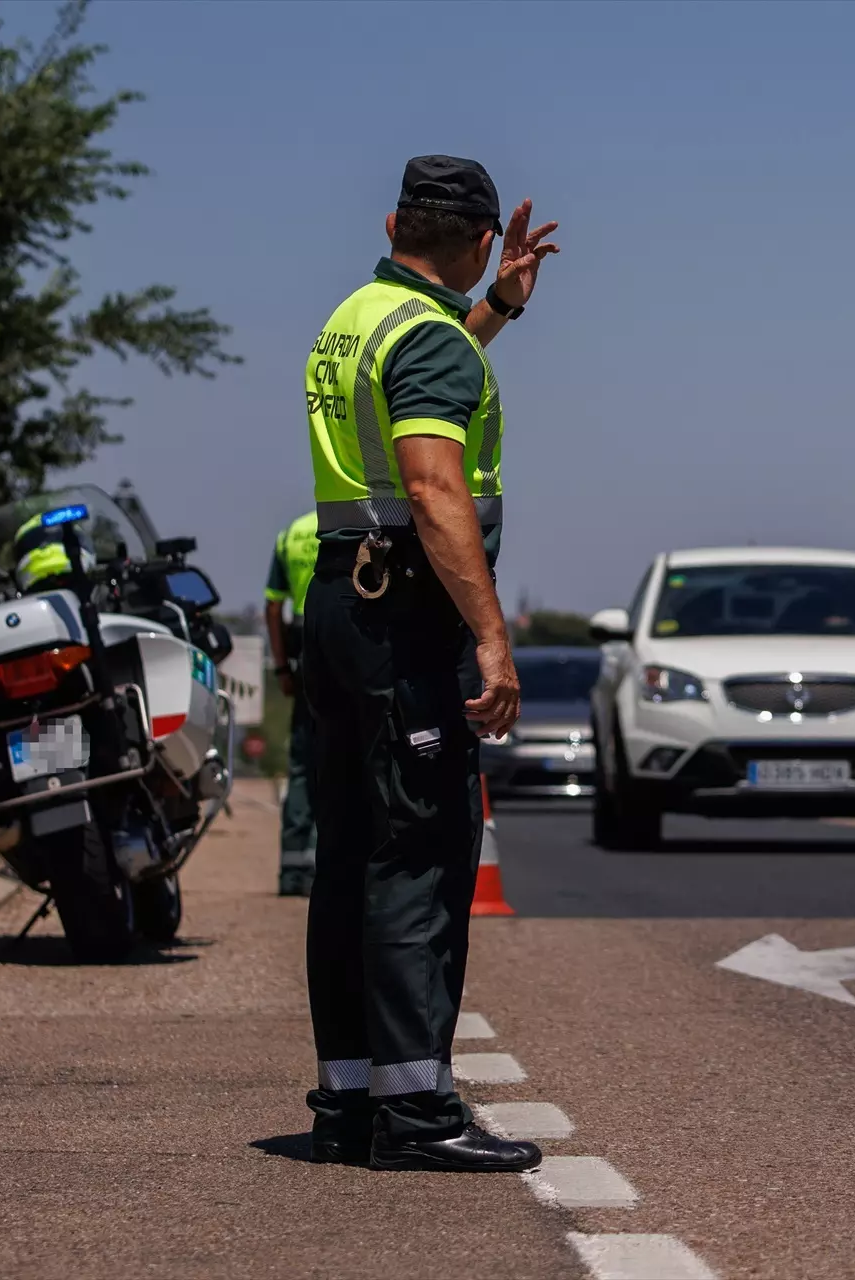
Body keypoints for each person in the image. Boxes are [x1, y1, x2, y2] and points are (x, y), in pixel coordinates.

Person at [301, 155, 558, 1172]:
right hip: (407, 619)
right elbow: (434, 486)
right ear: (484, 235)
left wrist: (496, 307)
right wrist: (491, 636)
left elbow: (419, 377)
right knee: (420, 855)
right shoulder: (430, 345)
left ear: (395, 220)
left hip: (341, 606)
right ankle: (418, 1115)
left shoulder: (360, 315)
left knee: (352, 857)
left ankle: (351, 1103)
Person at [264, 509, 321, 897]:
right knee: (345, 755)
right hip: (339, 639)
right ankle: (327, 865)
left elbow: (272, 607)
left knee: (302, 762)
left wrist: (281, 666)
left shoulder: (291, 534)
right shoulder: (355, 523)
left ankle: (291, 871)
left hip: (301, 645)